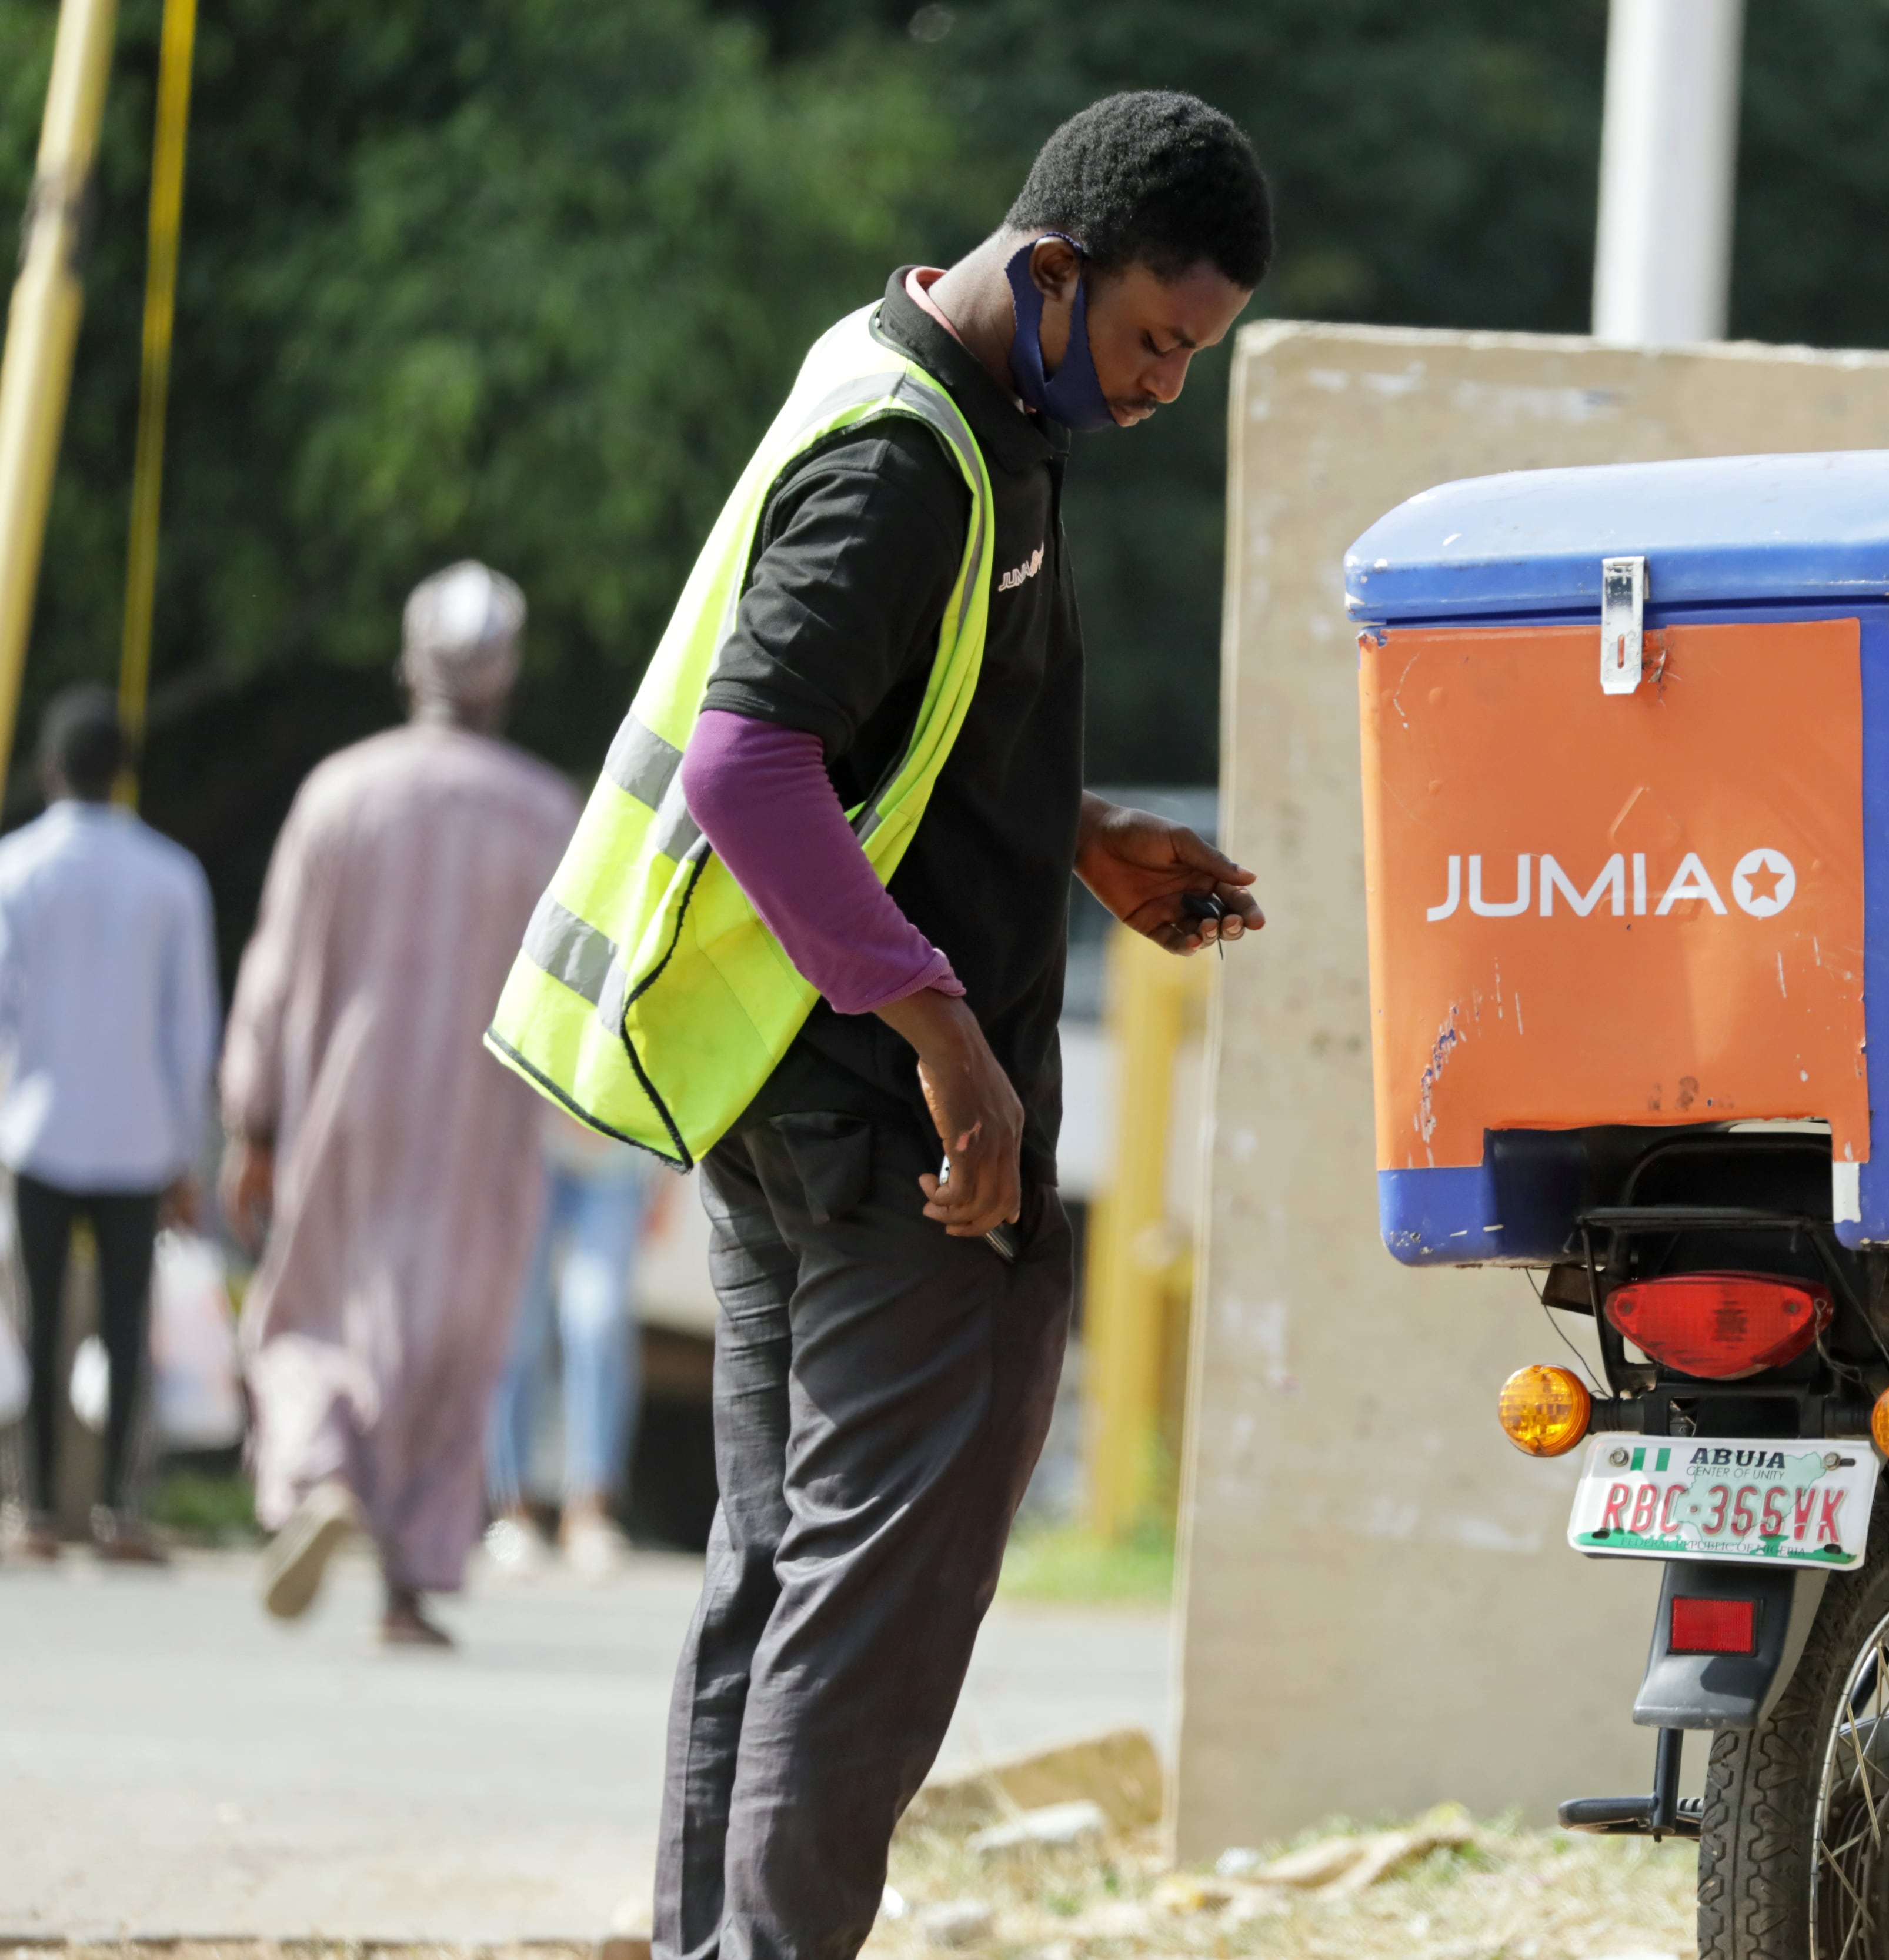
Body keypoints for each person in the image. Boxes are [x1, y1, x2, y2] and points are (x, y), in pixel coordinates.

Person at [482, 91, 1269, 1958]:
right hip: (880, 1133)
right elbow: (756, 765)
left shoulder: (945, 392)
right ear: (1057, 274)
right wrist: (946, 1034)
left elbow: (880, 741)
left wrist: (1074, 839)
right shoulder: (913, 457)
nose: (1166, 389)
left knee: (777, 1585)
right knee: (862, 1617)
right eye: (1158, 340)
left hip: (791, 1108)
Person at [223, 562, 579, 1646]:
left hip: (345, 1112)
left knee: (314, 1312)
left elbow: (276, 970)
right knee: (452, 1333)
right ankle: (411, 1585)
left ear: (407, 664)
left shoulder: (339, 791)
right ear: (505, 678)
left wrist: (253, 1119)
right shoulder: (545, 811)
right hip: (488, 1122)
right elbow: (581, 990)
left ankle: (317, 1472)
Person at [0, 686, 218, 1562]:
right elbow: (190, 1028)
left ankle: (38, 1509)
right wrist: (187, 1149)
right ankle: (121, 1511)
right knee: (127, 1327)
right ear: (123, 774)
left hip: (35, 1130)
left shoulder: (14, 868)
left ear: (52, 768)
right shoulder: (171, 874)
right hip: (139, 1136)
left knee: (38, 1323)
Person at [483, 1108, 656, 1577]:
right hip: (532, 1147)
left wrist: (671, 1175)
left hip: (624, 1150)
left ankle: (590, 1510)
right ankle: (513, 1511)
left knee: (597, 1321)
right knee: (519, 1329)